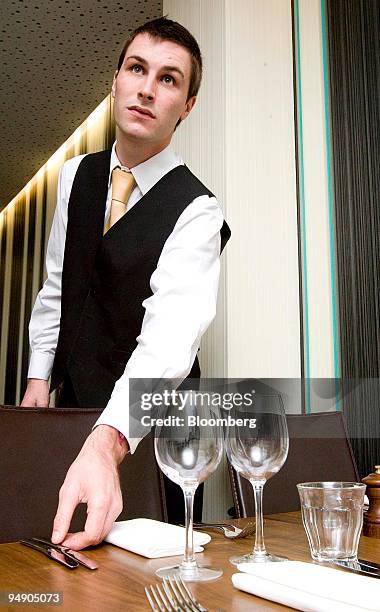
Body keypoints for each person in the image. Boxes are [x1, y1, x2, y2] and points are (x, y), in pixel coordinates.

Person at [21, 17, 230, 550]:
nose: (146, 88)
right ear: (116, 80)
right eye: (137, 69)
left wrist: (111, 439)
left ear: (186, 106)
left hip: (159, 426)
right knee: (62, 549)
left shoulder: (199, 211)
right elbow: (57, 287)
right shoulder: (73, 176)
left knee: (155, 569)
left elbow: (171, 337)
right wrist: (39, 377)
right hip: (73, 402)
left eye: (169, 79)